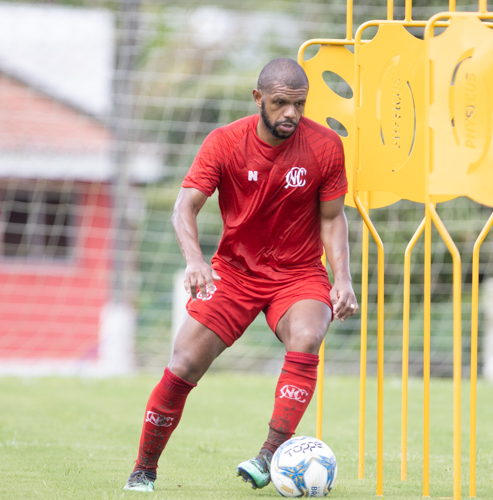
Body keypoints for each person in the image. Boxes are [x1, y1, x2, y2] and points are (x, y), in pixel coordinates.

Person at [124, 58, 358, 492]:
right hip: (232, 273)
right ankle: (143, 470)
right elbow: (184, 208)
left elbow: (333, 218)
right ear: (259, 99)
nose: (291, 113)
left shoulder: (326, 146)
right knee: (183, 364)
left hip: (298, 273)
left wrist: (341, 278)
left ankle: (270, 456)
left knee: (307, 336)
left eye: (299, 104)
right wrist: (196, 260)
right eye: (281, 103)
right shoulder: (225, 142)